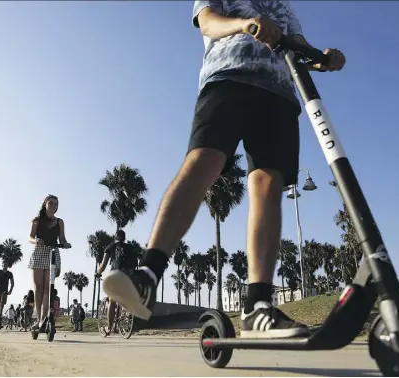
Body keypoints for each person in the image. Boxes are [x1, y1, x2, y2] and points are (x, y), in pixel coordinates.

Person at [102, 0, 346, 339]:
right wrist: (245, 25)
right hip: (227, 77)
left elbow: (297, 45)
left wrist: (321, 58)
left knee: (268, 185)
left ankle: (258, 307)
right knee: (205, 161)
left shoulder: (284, 5)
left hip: (278, 93)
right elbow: (208, 22)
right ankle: (147, 275)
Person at [27, 195, 71, 331]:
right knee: (38, 288)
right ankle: (38, 319)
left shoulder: (60, 222)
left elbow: (62, 238)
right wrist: (36, 241)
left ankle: (45, 319)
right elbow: (30, 237)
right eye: (50, 203)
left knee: (48, 288)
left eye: (55, 204)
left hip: (53, 252)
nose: (53, 206)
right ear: (45, 204)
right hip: (39, 252)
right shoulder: (37, 220)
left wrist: (65, 244)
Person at [97, 229, 138, 335]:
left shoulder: (111, 247)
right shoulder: (130, 248)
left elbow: (104, 265)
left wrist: (98, 272)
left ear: (115, 237)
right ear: (124, 238)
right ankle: (123, 321)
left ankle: (110, 327)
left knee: (112, 301)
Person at [0, 261, 14, 331]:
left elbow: (12, 282)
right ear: (2, 265)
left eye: (6, 264)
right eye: (4, 264)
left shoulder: (9, 273)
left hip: (5, 292)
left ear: (8, 266)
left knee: (1, 307)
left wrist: (10, 290)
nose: (5, 265)